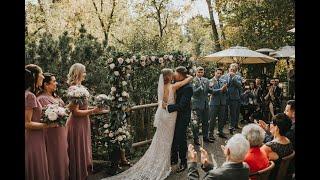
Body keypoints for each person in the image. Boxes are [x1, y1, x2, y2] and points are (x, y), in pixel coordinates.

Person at [102, 68, 193, 179]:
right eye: (172, 73)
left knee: (166, 138)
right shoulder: (174, 85)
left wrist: (166, 105)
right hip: (170, 115)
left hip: (169, 114)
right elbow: (182, 84)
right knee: (168, 138)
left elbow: (175, 103)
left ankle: (172, 159)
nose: (174, 74)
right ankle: (168, 160)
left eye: (176, 73)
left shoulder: (168, 86)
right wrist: (190, 77)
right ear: (169, 77)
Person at [66, 63, 102, 180]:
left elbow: (83, 108)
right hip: (76, 123)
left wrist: (95, 108)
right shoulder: (73, 89)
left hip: (84, 122)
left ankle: (83, 173)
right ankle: (77, 175)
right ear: (78, 73)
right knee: (78, 148)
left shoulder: (81, 88)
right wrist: (92, 111)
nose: (85, 74)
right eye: (84, 71)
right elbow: (75, 112)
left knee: (84, 147)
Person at [37, 73, 69, 180]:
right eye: (54, 81)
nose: (56, 83)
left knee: (62, 157)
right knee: (54, 156)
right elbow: (42, 118)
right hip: (51, 134)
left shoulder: (56, 97)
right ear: (46, 84)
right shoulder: (41, 99)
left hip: (61, 132)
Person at [25, 64, 55, 179]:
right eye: (41, 74)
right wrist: (49, 124)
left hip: (35, 137)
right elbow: (27, 123)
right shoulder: (30, 96)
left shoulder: (28, 94)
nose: (43, 76)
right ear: (34, 76)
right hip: (33, 139)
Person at [167, 66, 194, 172]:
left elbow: (182, 106)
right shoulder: (177, 83)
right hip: (174, 116)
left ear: (181, 75)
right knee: (173, 137)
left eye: (176, 74)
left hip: (183, 116)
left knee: (181, 138)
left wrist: (168, 107)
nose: (174, 75)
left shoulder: (188, 88)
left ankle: (183, 162)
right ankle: (174, 158)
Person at [260, 113, 293, 180]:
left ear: (277, 128)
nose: (269, 124)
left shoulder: (269, 146)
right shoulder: (288, 141)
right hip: (284, 176)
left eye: (272, 123)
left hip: (269, 176)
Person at [191, 66, 213, 145]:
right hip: (196, 105)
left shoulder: (206, 80)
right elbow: (193, 92)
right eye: (199, 72)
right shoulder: (193, 80)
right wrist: (200, 87)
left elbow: (210, 90)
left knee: (206, 122)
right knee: (196, 123)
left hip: (205, 105)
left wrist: (220, 90)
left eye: (202, 72)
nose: (200, 73)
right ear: (196, 72)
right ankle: (196, 138)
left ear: (203, 72)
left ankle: (205, 137)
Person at [221, 63, 243, 134]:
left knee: (233, 113)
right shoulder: (224, 76)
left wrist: (233, 78)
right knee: (223, 111)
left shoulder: (238, 77)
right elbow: (222, 84)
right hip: (225, 96)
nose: (232, 71)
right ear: (228, 69)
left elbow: (240, 86)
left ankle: (232, 127)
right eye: (231, 69)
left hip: (234, 97)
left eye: (234, 70)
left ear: (236, 71)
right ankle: (222, 125)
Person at [208, 68, 228, 139]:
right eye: (218, 73)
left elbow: (226, 92)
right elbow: (211, 91)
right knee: (212, 119)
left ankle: (220, 131)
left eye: (220, 73)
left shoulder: (224, 81)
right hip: (214, 103)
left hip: (222, 102)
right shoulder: (210, 81)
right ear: (215, 73)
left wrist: (225, 89)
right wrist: (221, 89)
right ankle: (210, 133)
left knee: (221, 118)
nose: (219, 75)